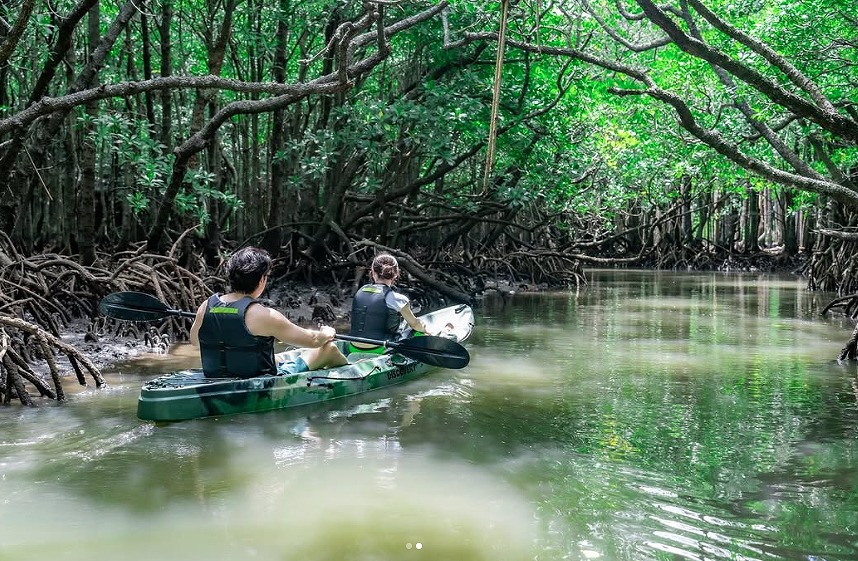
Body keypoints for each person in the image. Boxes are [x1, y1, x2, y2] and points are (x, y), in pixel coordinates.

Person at [189, 247, 348, 378]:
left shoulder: (206, 305)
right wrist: (327, 332)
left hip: (215, 376)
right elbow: (314, 340)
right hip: (258, 382)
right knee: (329, 348)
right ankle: (351, 374)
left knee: (277, 358)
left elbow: (196, 341)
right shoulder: (264, 315)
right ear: (261, 280)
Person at [347, 253, 430, 354]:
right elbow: (415, 325)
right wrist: (424, 329)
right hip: (379, 349)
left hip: (353, 347)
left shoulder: (360, 291)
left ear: (373, 272)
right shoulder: (398, 299)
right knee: (417, 331)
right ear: (395, 274)